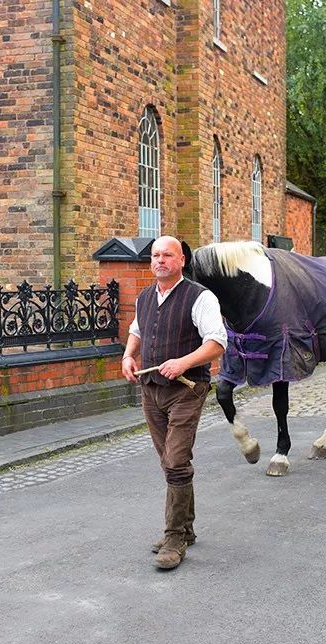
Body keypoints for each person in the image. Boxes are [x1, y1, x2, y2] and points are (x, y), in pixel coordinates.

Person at [121, 236, 227, 570]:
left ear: (181, 260)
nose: (160, 260)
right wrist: (128, 355)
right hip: (151, 389)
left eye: (167, 255)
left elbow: (217, 343)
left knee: (176, 461)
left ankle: (175, 537)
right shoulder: (144, 297)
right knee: (169, 462)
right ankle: (187, 528)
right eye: (155, 255)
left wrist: (183, 362)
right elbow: (137, 330)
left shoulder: (200, 298)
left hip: (186, 388)